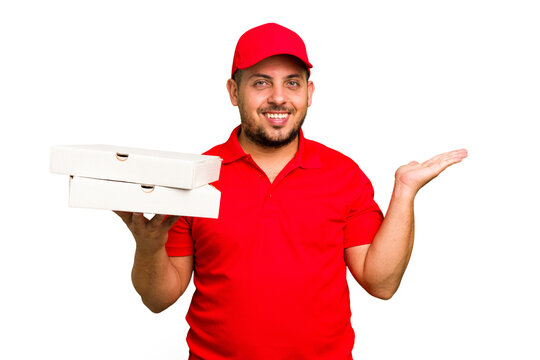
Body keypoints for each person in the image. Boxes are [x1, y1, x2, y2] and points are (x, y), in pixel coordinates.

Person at [115, 23, 468, 360]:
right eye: (261, 83)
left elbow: (381, 283)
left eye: (293, 83)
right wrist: (148, 245)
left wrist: (404, 193)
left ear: (309, 94)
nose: (279, 98)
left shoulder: (343, 175)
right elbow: (158, 298)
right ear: (234, 92)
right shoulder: (195, 177)